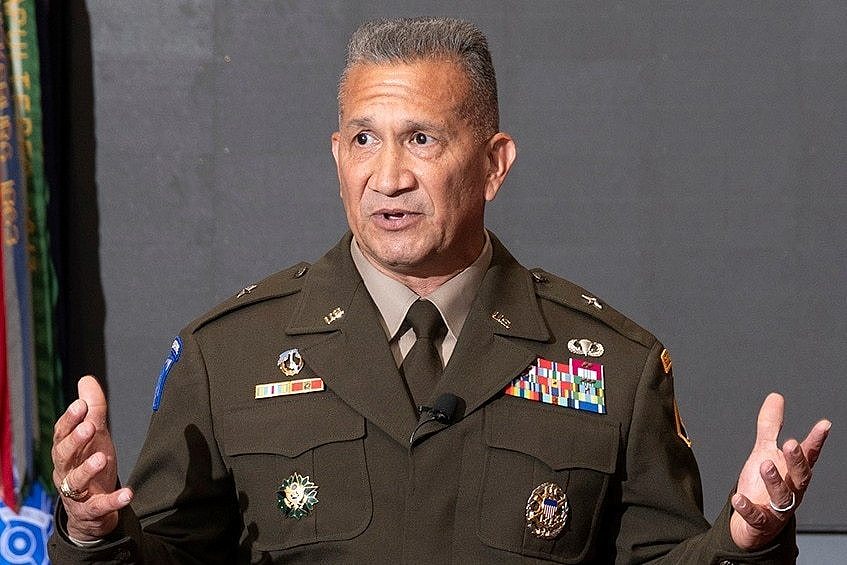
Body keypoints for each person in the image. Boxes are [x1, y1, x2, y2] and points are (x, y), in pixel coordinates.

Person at [49, 17, 830, 563]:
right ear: (336, 155)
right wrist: (92, 530)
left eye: (421, 138)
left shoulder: (615, 367)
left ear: (493, 162)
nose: (387, 177)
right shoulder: (228, 355)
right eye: (364, 139)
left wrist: (745, 539)